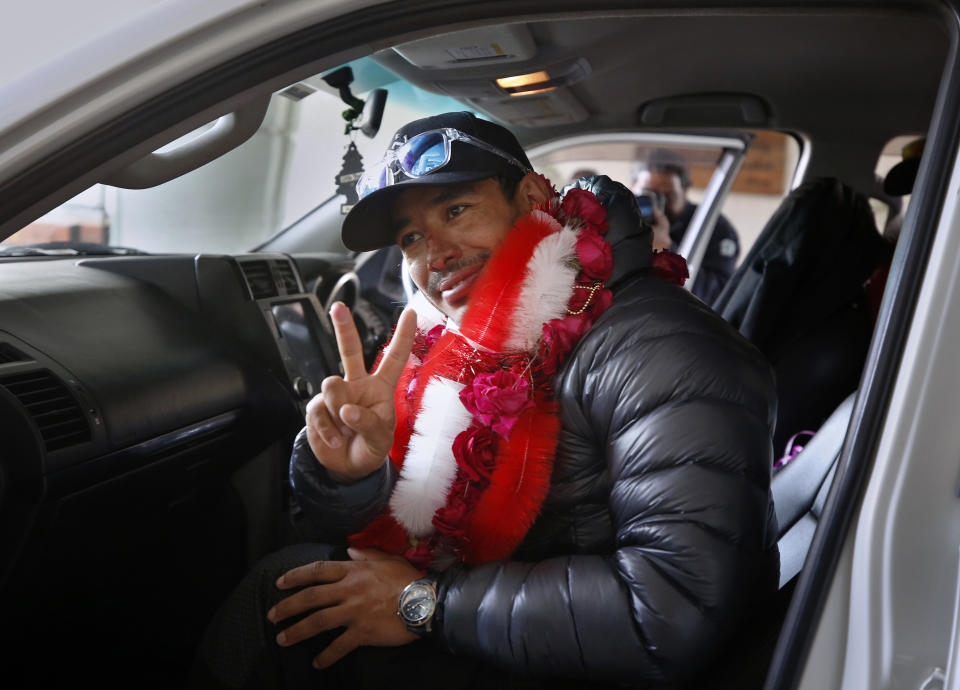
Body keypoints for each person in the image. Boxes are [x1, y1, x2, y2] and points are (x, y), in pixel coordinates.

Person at [188, 112, 779, 689]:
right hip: (524, 629)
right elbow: (427, 523)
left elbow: (670, 612)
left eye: (455, 210)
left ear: (529, 200)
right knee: (306, 582)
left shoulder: (660, 349)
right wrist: (355, 477)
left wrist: (423, 604)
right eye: (412, 237)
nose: (435, 254)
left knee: (281, 594)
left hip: (607, 662)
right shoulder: (477, 345)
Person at [632, 148, 741, 304]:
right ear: (632, 191)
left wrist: (667, 251)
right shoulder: (623, 221)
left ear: (685, 191)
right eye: (648, 194)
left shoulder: (713, 227)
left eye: (668, 196)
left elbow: (718, 297)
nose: (658, 204)